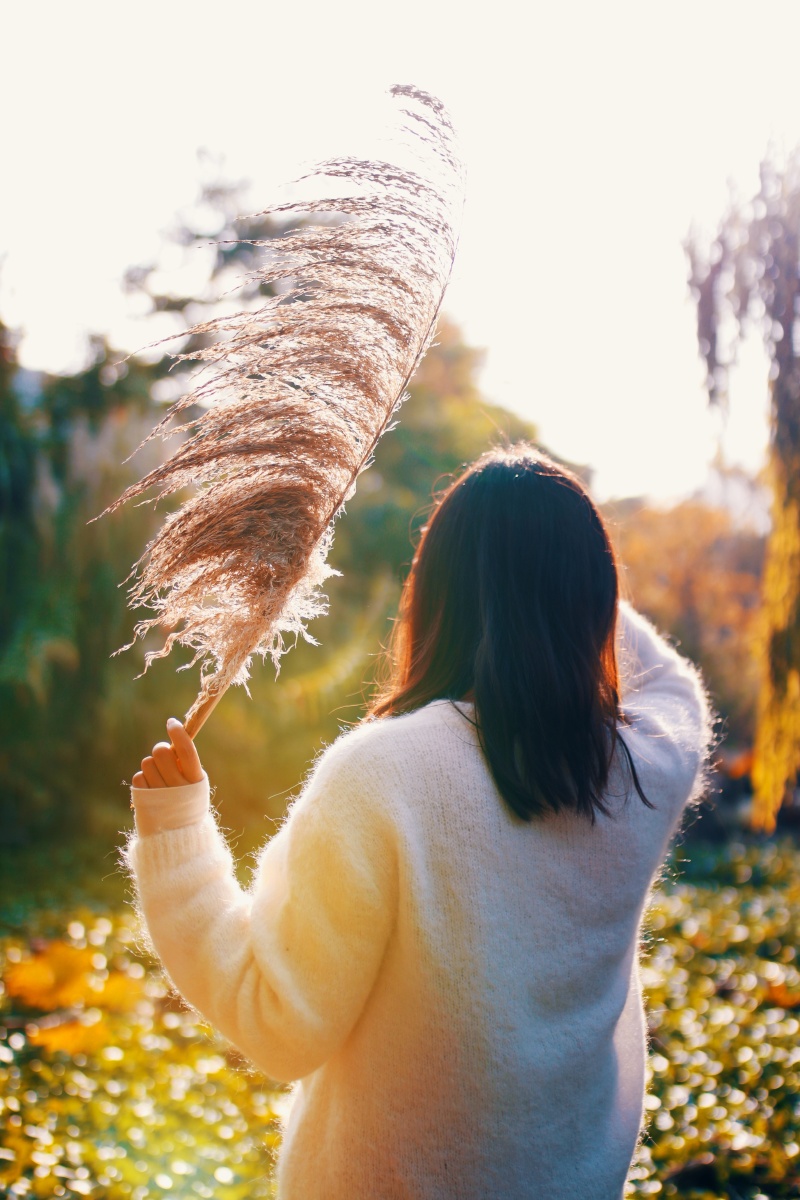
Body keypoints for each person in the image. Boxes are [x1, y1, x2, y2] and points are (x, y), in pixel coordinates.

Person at [125, 445, 711, 1200]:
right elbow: (673, 682)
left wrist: (174, 835)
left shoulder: (384, 776)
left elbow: (275, 1021)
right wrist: (559, 590)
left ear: (435, 592)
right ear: (595, 599)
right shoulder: (643, 763)